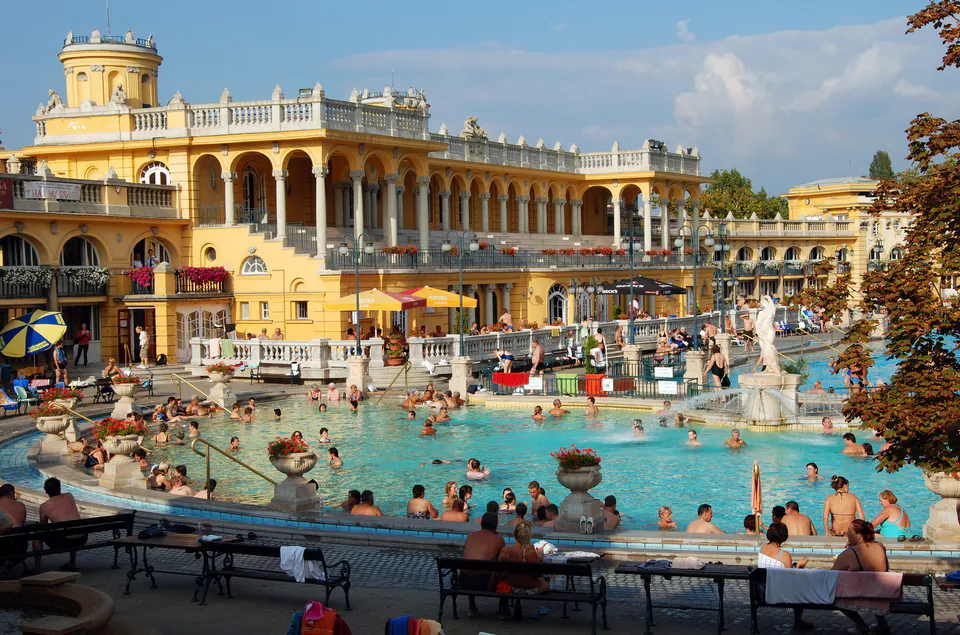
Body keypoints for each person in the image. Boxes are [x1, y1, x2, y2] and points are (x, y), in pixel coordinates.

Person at [830, 520, 892, 634]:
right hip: (882, 593)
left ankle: (860, 625)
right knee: (872, 585)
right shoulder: (880, 546)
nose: (846, 533)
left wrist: (850, 550)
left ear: (858, 535)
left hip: (861, 595)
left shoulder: (849, 554)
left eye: (849, 531)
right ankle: (882, 624)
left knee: (834, 595)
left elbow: (830, 576)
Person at [461, 512, 506, 616]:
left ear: (481, 524)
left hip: (463, 582)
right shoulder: (499, 540)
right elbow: (501, 561)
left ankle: (472, 606)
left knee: (471, 567)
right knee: (504, 570)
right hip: (484, 584)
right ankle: (504, 609)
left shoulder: (470, 536)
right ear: (496, 526)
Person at [34, 477, 84, 570]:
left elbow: (43, 528)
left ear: (46, 492)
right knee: (72, 529)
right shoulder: (69, 496)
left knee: (37, 535)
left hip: (63, 541)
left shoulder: (44, 507)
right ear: (60, 488)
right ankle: (73, 562)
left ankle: (37, 568)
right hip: (82, 538)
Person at [498, 522, 549, 594]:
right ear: (528, 536)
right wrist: (540, 558)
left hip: (513, 587)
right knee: (545, 583)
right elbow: (538, 573)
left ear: (515, 534)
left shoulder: (505, 551)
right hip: (529, 589)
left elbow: (498, 572)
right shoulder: (529, 552)